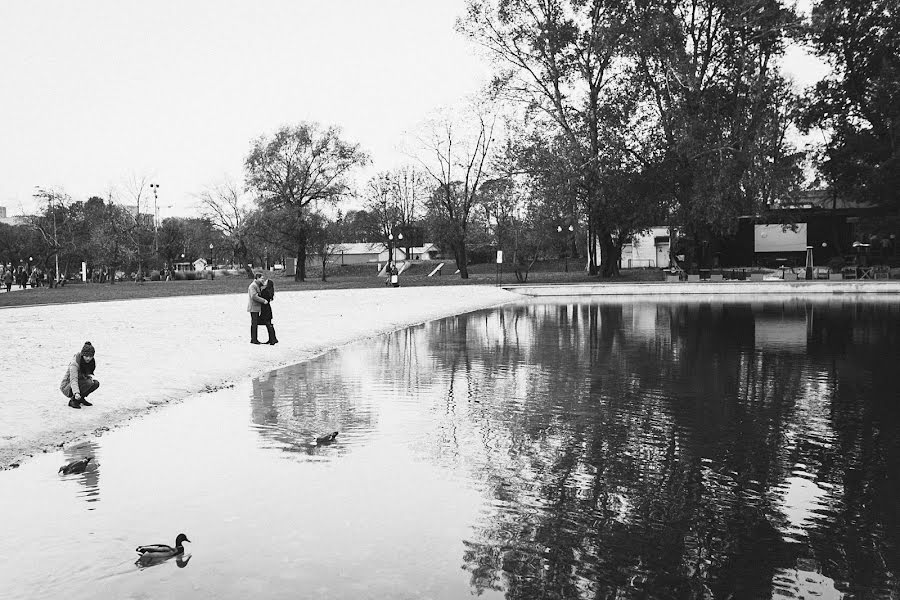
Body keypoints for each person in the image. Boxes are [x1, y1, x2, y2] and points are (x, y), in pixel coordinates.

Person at [60, 341, 100, 409]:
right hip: (67, 386)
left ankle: (81, 399)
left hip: (80, 382)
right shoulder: (75, 363)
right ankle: (73, 400)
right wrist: (76, 393)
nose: (88, 358)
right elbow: (73, 380)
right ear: (82, 355)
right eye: (86, 356)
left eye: (90, 356)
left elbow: (86, 376)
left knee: (95, 383)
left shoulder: (91, 363)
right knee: (88, 382)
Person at [247, 273, 269, 344]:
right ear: (257, 278)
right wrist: (263, 301)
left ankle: (254, 338)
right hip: (254, 307)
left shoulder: (258, 285)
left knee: (255, 323)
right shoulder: (253, 286)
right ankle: (254, 339)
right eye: (261, 278)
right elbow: (254, 296)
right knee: (254, 323)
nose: (263, 280)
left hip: (257, 307)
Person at [258, 278, 278, 345]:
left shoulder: (265, 291)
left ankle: (273, 339)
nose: (264, 281)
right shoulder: (269, 291)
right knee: (268, 324)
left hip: (265, 309)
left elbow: (261, 297)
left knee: (268, 324)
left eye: (266, 281)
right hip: (267, 308)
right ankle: (272, 338)